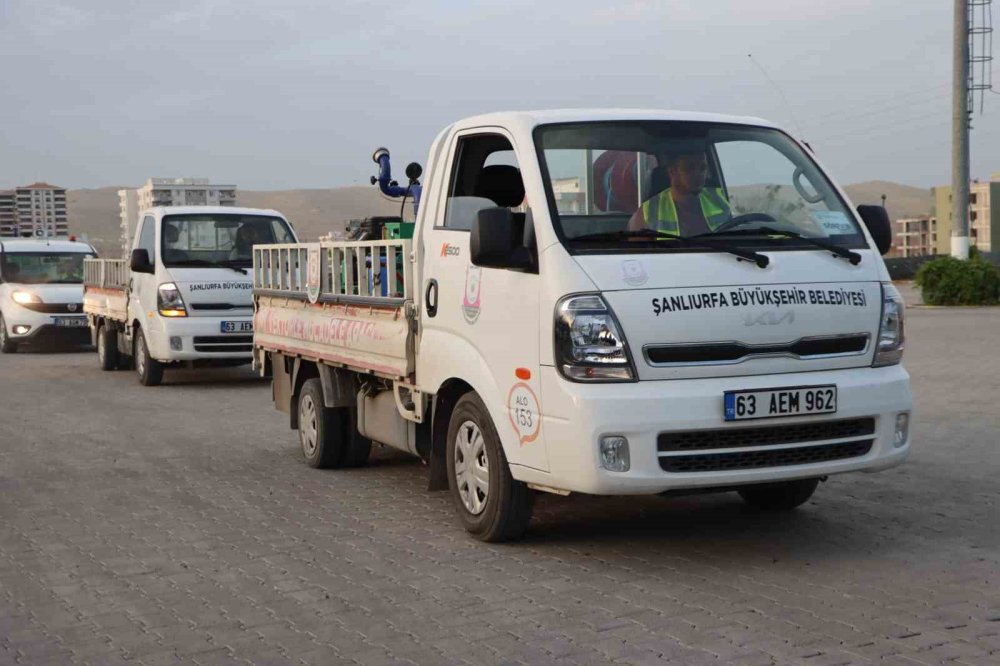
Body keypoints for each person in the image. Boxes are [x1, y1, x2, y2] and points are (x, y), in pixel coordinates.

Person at [627, 149, 731, 236]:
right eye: (690, 168)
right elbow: (636, 255)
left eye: (703, 168)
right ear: (672, 172)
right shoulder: (647, 212)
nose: (699, 174)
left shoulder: (719, 199)